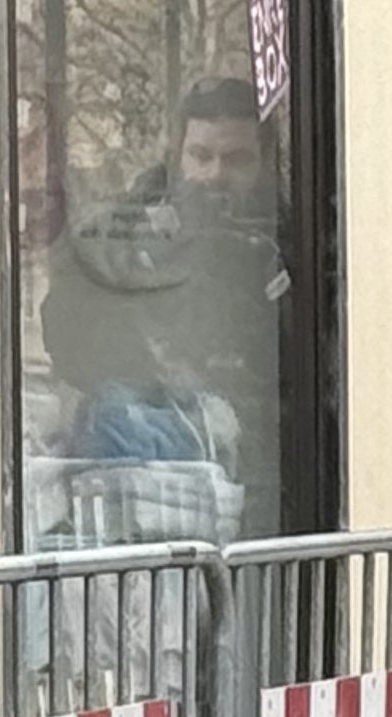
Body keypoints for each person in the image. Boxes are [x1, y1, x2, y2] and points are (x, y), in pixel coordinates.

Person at [37, 76, 290, 538]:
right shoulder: (129, 229)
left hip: (268, 465)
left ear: (265, 163)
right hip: (156, 467)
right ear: (177, 158)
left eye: (236, 160)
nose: (215, 174)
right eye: (201, 156)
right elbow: (68, 328)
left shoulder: (289, 241)